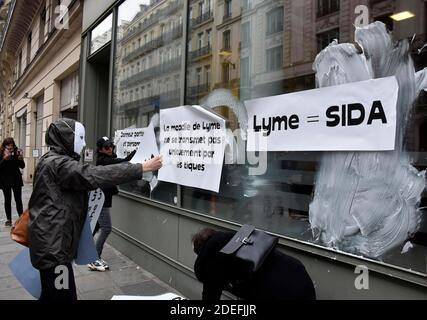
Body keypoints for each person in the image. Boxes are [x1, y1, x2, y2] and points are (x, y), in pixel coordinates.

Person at [28, 118, 162, 301]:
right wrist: (141, 168)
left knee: (50, 296)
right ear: (67, 138)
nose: (84, 143)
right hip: (54, 252)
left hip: (51, 245)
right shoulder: (58, 164)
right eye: (80, 137)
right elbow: (94, 175)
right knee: (63, 297)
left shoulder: (52, 161)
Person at [192, 228, 316, 300]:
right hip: (300, 276)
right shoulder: (235, 239)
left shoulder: (211, 256)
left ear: (201, 251)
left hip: (280, 292)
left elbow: (210, 298)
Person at [87, 136, 137, 272]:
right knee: (107, 228)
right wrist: (134, 152)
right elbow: (121, 161)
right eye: (106, 147)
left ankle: (85, 251)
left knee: (96, 226)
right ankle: (94, 259)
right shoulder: (103, 160)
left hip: (102, 198)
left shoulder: (108, 157)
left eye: (111, 146)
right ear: (100, 149)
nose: (110, 149)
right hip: (100, 199)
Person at [0, 137, 25, 226]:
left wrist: (21, 158)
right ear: (5, 146)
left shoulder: (16, 152)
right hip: (5, 181)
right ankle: (9, 219)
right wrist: (4, 159)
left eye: (12, 146)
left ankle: (21, 218)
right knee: (7, 200)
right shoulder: (1, 153)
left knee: (18, 200)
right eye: (8, 146)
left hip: (16, 180)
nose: (10, 148)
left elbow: (22, 166)